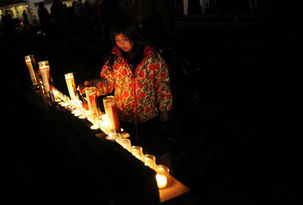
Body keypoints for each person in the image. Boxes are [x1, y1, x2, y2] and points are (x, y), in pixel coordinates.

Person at [79, 25, 173, 167]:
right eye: (117, 40)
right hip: (124, 116)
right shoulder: (114, 59)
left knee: (157, 149)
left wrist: (164, 107)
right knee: (132, 153)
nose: (120, 44)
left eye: (124, 39)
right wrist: (92, 87)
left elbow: (162, 82)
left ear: (133, 37)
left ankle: (166, 177)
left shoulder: (151, 57)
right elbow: (108, 82)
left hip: (148, 115)